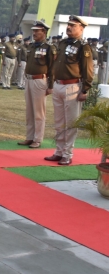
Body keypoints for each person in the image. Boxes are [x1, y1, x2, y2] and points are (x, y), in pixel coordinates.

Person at [45, 15, 93, 166]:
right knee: (59, 122)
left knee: (71, 122)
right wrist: (51, 83)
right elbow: (55, 64)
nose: (69, 27)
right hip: (59, 85)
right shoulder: (63, 43)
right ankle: (59, 151)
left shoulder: (83, 46)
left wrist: (85, 89)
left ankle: (67, 153)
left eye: (73, 25)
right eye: (68, 24)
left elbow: (88, 70)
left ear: (81, 28)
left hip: (73, 87)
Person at [18, 20, 54, 149]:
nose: (34, 33)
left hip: (40, 80)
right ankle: (29, 136)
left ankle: (37, 138)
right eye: (33, 31)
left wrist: (50, 86)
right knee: (29, 110)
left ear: (43, 32)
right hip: (29, 79)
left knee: (39, 111)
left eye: (37, 31)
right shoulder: (32, 46)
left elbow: (52, 68)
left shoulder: (49, 48)